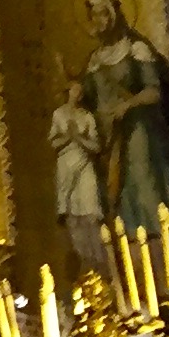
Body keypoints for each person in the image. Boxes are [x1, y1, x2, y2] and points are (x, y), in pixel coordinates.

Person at [82, 0, 169, 244]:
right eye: (94, 16)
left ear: (114, 16)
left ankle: (155, 239)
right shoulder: (94, 61)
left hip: (137, 127)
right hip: (108, 134)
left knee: (140, 179)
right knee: (115, 190)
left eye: (103, 15)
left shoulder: (136, 49)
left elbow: (154, 91)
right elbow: (87, 99)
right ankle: (128, 243)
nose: (98, 21)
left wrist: (128, 106)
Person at [50, 75, 107, 273]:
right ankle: (82, 260)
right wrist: (68, 136)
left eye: (80, 91)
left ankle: (97, 260)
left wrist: (79, 138)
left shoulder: (87, 116)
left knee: (90, 207)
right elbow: (53, 143)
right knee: (72, 212)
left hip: (84, 163)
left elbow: (96, 146)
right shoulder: (59, 114)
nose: (77, 94)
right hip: (66, 163)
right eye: (74, 90)